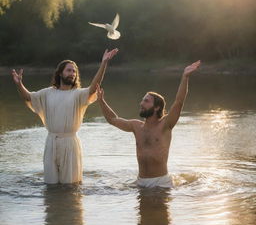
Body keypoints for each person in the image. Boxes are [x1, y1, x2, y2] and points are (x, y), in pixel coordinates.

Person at [12, 48, 118, 184]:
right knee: (50, 184)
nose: (72, 73)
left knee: (70, 185)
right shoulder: (47, 93)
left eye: (74, 71)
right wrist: (19, 84)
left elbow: (93, 87)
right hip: (51, 141)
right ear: (60, 73)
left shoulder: (78, 94)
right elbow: (28, 97)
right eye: (69, 70)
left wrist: (104, 63)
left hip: (70, 142)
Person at [97, 60, 201, 188]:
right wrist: (101, 101)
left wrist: (185, 77)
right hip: (141, 182)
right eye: (142, 101)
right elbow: (112, 119)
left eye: (146, 101)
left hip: (161, 183)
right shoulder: (136, 126)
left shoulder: (165, 125)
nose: (141, 104)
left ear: (157, 107)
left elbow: (179, 102)